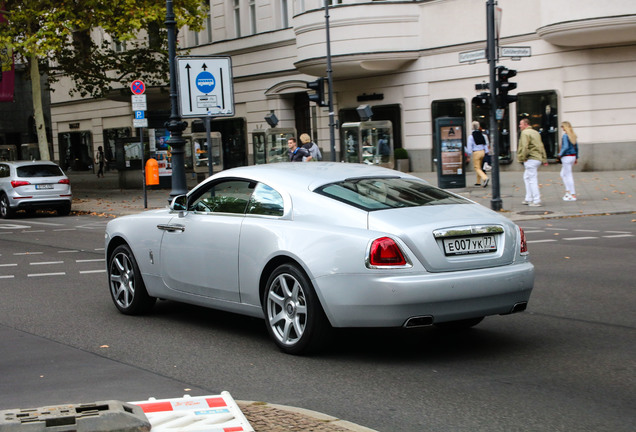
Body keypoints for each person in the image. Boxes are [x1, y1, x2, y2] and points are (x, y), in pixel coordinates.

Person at [517, 118, 548, 206]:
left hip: (530, 158)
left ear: (525, 124)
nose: (520, 126)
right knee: (527, 177)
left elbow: (524, 146)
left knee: (532, 179)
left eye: (521, 124)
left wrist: (523, 158)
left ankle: (536, 200)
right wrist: (544, 159)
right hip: (537, 158)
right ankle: (528, 198)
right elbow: (541, 146)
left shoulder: (525, 133)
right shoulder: (536, 132)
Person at [558, 121, 579, 201]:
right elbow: (576, 148)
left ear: (565, 127)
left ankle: (571, 194)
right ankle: (568, 191)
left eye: (563, 127)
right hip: (572, 156)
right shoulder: (573, 136)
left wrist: (560, 154)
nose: (562, 129)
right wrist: (576, 157)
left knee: (568, 175)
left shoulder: (565, 136)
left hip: (566, 157)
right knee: (563, 174)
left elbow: (565, 146)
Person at [466, 121, 490, 187]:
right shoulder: (482, 135)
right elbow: (485, 144)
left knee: (477, 167)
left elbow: (469, 146)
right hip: (482, 152)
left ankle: (485, 178)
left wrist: (468, 155)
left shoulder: (471, 137)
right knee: (480, 167)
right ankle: (478, 181)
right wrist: (486, 152)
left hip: (476, 153)